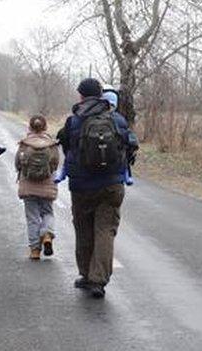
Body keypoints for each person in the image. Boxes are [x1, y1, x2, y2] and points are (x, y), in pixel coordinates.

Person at [58, 78, 134, 299]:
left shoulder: (74, 121)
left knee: (83, 229)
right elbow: (129, 146)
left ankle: (85, 274)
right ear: (101, 94)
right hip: (112, 184)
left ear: (81, 95)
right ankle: (98, 280)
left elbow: (67, 147)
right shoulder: (117, 119)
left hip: (81, 185)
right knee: (105, 230)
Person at [15, 115, 60, 260]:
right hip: (47, 186)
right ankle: (47, 234)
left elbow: (18, 164)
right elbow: (55, 165)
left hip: (28, 187)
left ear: (30, 127)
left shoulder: (25, 144)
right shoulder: (51, 144)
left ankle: (35, 250)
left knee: (32, 218)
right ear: (45, 127)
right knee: (47, 212)